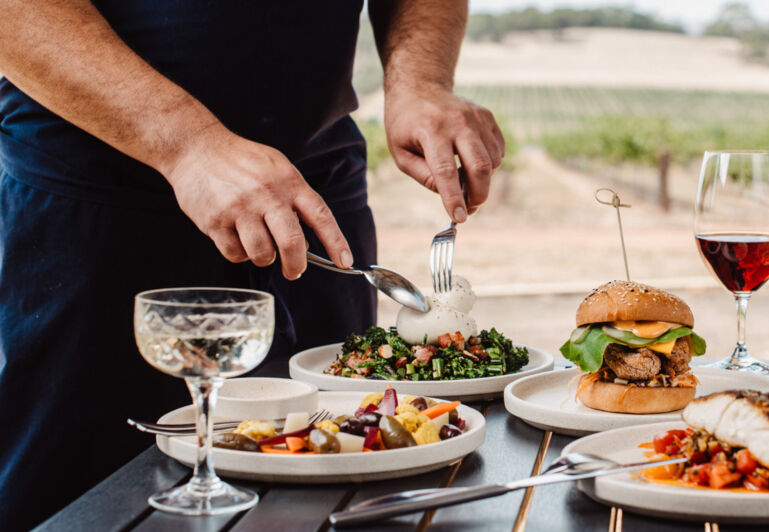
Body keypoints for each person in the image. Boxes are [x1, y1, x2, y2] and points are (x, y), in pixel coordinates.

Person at [0, 1, 504, 529]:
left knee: (333, 492)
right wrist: (187, 143)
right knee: (80, 502)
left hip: (315, 199)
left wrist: (419, 81)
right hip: (100, 204)